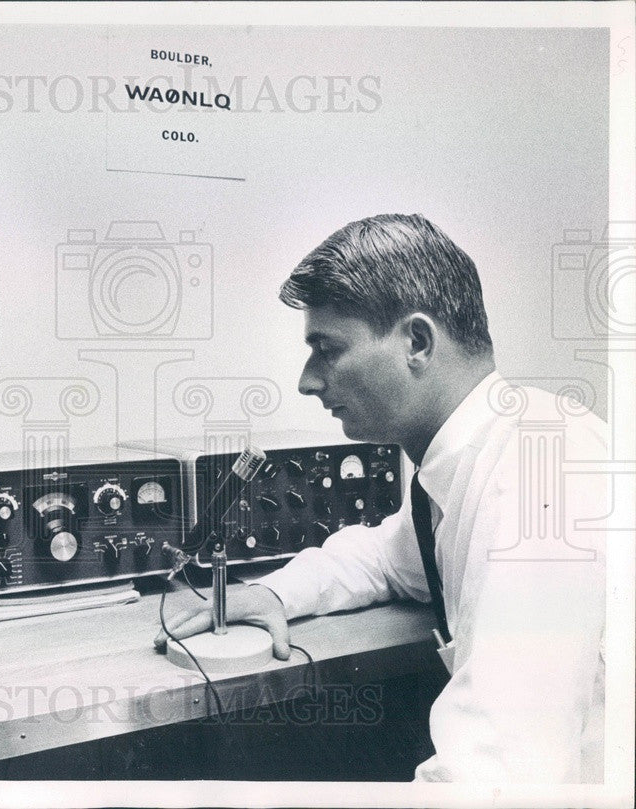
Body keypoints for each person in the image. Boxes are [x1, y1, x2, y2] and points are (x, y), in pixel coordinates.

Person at [154, 213, 607, 783]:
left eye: (327, 348)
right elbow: (384, 559)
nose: (307, 381)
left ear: (416, 342)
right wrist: (274, 592)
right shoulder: (469, 461)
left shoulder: (538, 474)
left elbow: (497, 776)